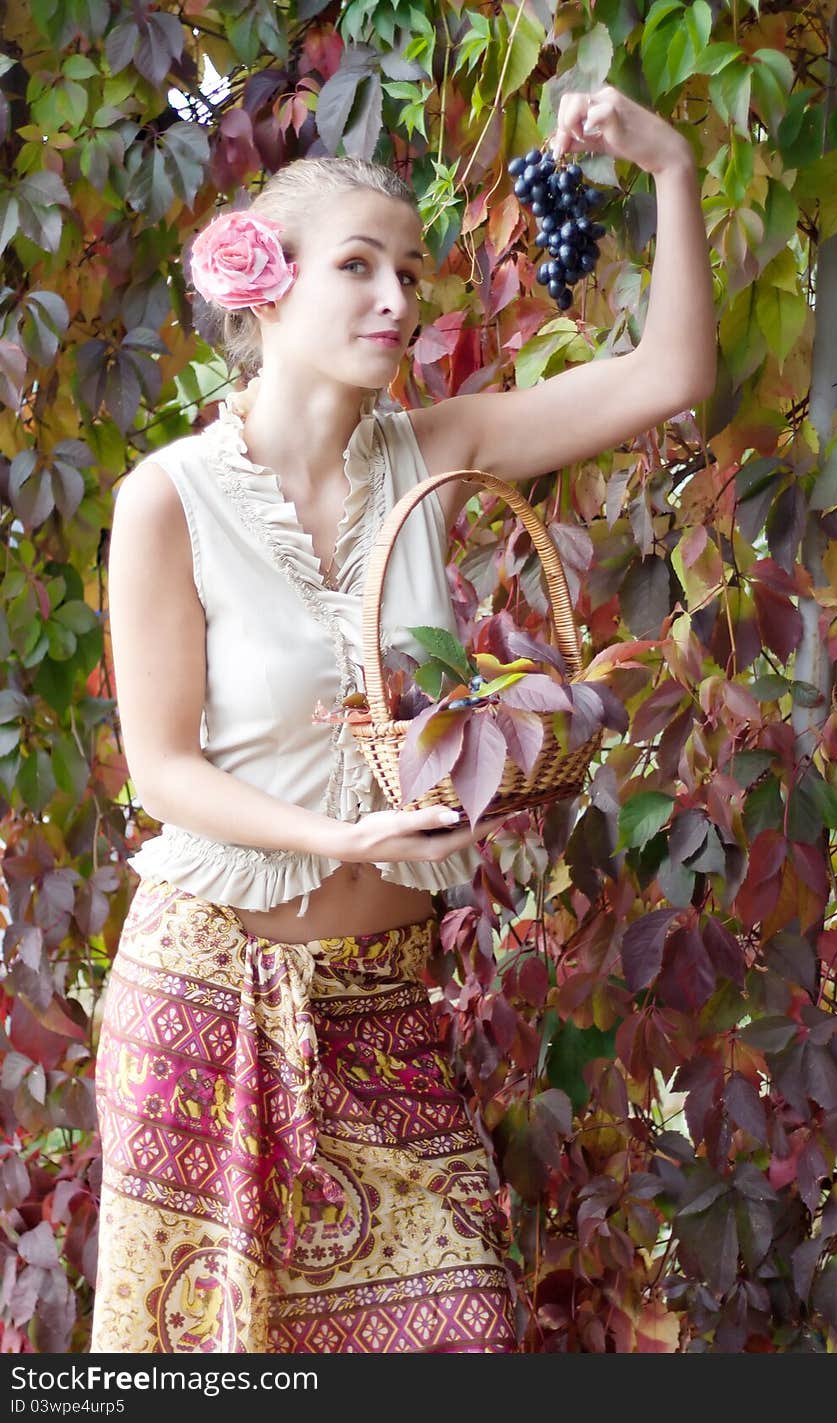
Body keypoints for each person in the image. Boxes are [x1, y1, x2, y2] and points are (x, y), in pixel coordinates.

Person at [90, 86, 716, 1354]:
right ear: (262, 289)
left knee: (461, 1334)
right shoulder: (168, 499)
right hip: (206, 996)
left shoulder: (440, 452)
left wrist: (673, 167)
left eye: (410, 272)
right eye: (359, 267)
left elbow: (668, 374)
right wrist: (347, 839)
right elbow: (160, 769)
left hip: (384, 1001)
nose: (397, 298)